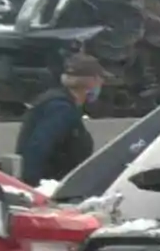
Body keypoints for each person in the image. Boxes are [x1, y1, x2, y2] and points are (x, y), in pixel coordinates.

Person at [15, 53, 104, 187]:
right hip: (48, 187)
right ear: (92, 82)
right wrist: (31, 188)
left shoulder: (58, 102)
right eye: (101, 81)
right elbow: (38, 147)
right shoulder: (61, 109)